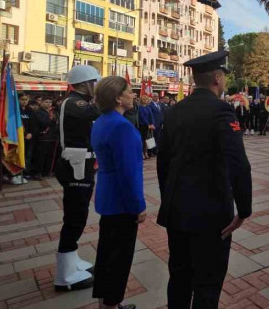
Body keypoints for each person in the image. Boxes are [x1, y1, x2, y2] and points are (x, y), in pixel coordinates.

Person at [156, 51, 252, 308]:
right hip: (210, 214)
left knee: (179, 278)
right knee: (207, 285)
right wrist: (244, 210)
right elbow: (238, 164)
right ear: (217, 78)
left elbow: (163, 162)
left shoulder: (174, 111)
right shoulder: (222, 110)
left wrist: (169, 200)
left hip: (177, 211)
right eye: (224, 79)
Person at [91, 77, 145, 309]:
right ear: (117, 98)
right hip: (122, 201)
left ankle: (105, 302)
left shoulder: (102, 121)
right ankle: (112, 304)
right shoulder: (122, 127)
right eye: (130, 92)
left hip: (107, 195)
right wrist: (138, 205)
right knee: (119, 257)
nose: (133, 95)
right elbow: (129, 173)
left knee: (106, 253)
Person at [54, 65, 101, 292]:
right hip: (75, 165)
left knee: (78, 213)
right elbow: (94, 113)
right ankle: (64, 275)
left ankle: (71, 259)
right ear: (85, 83)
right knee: (75, 215)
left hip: (81, 163)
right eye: (95, 82)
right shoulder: (74, 102)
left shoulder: (77, 102)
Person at [33, 97, 58, 178]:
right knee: (40, 156)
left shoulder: (53, 112)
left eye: (50, 102)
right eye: (46, 102)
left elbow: (57, 123)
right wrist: (52, 120)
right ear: (42, 103)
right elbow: (43, 123)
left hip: (52, 137)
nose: (48, 104)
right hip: (42, 137)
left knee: (50, 156)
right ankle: (38, 173)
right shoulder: (38, 112)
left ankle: (47, 172)